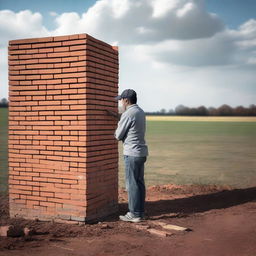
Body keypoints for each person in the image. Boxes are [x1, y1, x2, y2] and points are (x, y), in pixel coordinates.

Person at [113, 89, 148, 223]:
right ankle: (139, 212)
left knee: (132, 184)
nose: (120, 103)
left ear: (126, 100)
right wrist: (120, 118)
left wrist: (119, 123)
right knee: (139, 183)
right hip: (141, 153)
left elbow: (118, 135)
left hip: (131, 153)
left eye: (121, 100)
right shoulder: (140, 111)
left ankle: (133, 214)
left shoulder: (128, 114)